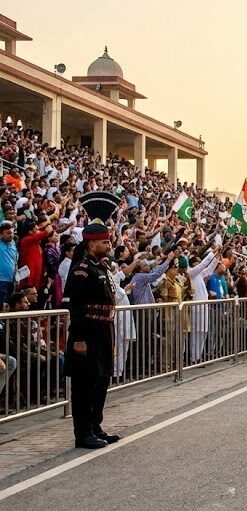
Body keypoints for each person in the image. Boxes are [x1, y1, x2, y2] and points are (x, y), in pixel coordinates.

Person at [63, 192, 122, 450]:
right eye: (104, 242)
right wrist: (79, 339)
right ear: (91, 244)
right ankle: (82, 432)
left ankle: (95, 425)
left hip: (103, 330)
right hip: (87, 332)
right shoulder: (82, 270)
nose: (109, 245)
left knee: (101, 381)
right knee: (84, 384)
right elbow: (76, 308)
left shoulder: (101, 267)